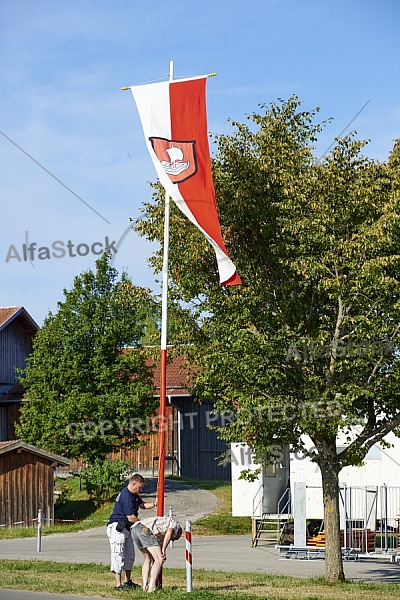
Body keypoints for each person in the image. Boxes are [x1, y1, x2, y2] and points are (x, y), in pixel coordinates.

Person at [106, 473, 157, 591]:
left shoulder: (134, 495)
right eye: (140, 487)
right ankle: (118, 585)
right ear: (133, 483)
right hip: (118, 528)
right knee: (118, 554)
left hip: (127, 528)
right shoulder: (126, 496)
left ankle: (127, 581)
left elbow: (142, 504)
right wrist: (145, 524)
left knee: (129, 555)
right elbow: (131, 517)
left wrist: (154, 504)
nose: (141, 489)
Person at [131, 515, 182, 592]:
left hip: (135, 529)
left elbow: (158, 544)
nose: (172, 540)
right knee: (159, 559)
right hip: (145, 529)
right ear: (178, 533)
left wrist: (162, 550)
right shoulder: (175, 525)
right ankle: (151, 587)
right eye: (174, 538)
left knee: (147, 558)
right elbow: (170, 531)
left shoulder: (161, 530)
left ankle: (144, 586)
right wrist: (163, 550)